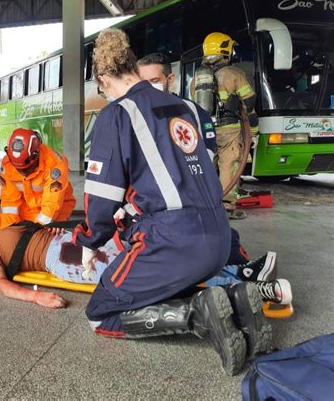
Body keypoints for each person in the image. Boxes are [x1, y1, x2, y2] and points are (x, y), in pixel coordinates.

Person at [72, 28, 271, 376]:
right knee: (160, 280)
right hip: (219, 236)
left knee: (102, 311)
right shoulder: (188, 109)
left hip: (174, 240)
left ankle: (198, 315)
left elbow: (102, 198)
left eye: (99, 87)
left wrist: (90, 240)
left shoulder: (117, 115)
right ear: (133, 65)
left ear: (103, 78)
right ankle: (236, 301)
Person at [0, 223, 291, 309]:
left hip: (73, 240)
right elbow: (2, 285)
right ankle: (244, 282)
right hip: (63, 259)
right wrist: (39, 297)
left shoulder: (4, 228)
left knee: (150, 248)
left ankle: (237, 273)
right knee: (149, 266)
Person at [191, 33, 259, 219]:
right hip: (229, 128)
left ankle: (205, 204)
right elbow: (249, 101)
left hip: (205, 129)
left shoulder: (196, 78)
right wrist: (253, 127)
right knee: (230, 165)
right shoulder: (234, 73)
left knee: (206, 165)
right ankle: (227, 207)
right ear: (226, 49)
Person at [0, 128, 76, 232]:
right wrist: (9, 231)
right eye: (18, 169)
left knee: (44, 238)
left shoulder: (54, 165)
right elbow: (9, 201)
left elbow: (51, 205)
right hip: (27, 205)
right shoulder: (7, 164)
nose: (22, 173)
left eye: (26, 169)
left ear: (36, 155)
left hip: (56, 207)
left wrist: (36, 232)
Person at [137, 53, 217, 157]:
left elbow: (208, 142)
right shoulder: (132, 111)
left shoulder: (189, 109)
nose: (148, 87)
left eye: (154, 81)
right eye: (143, 83)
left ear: (170, 79)